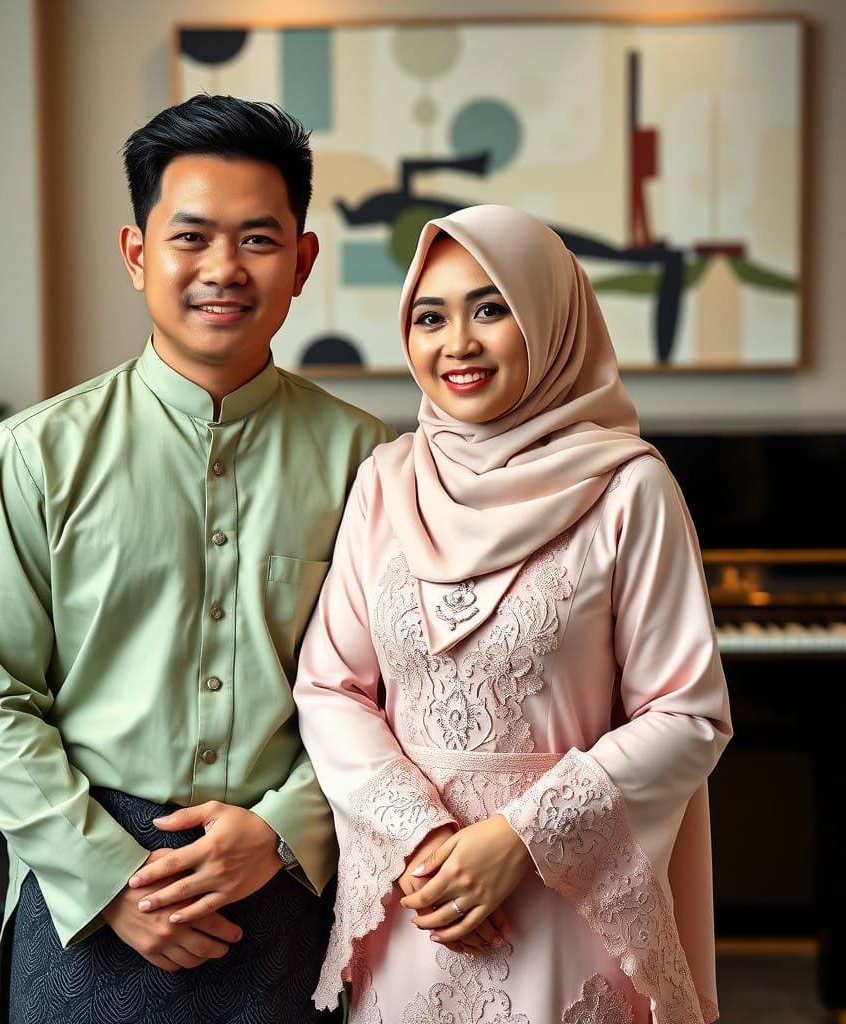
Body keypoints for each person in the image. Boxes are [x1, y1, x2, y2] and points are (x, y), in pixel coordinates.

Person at [0, 94, 393, 1024]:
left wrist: (280, 831)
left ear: (303, 261)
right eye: (190, 237)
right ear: (136, 253)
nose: (223, 269)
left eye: (259, 240)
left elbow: (399, 692)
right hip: (87, 889)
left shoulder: (371, 464)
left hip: (290, 891)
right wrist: (110, 878)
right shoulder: (35, 455)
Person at [293, 205, 732, 1024]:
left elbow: (687, 714)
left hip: (565, 899)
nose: (456, 341)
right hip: (417, 903)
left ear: (549, 318)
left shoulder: (630, 488)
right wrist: (423, 839)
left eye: (490, 308)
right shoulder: (386, 481)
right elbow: (329, 687)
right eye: (431, 316)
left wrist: (517, 840)